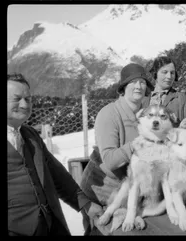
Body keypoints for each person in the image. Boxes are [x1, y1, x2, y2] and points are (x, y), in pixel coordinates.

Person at [7, 73, 103, 236]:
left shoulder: (31, 135)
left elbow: (57, 174)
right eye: (17, 99)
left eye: (28, 99)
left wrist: (85, 204)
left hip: (49, 225)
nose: (24, 105)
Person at [79, 63, 154, 235]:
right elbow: (111, 160)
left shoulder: (145, 115)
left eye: (142, 82)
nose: (138, 86)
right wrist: (138, 143)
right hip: (101, 190)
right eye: (133, 81)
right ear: (123, 87)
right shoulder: (109, 114)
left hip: (128, 188)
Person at [142, 56, 186, 126]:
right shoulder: (143, 98)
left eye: (172, 73)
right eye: (165, 72)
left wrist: (176, 122)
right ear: (155, 73)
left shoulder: (183, 99)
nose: (169, 76)